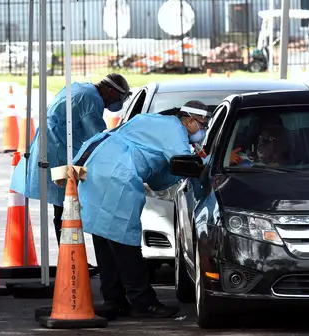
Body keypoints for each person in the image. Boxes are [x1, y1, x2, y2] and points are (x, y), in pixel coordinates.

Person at [68, 100, 210, 319]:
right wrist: (206, 161)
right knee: (125, 241)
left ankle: (114, 300)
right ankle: (143, 301)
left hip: (98, 168)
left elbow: (160, 178)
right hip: (116, 175)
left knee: (106, 240)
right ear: (189, 120)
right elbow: (184, 161)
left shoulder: (155, 122)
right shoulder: (174, 129)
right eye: (202, 125)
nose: (203, 130)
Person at [11, 73, 131, 246]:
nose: (118, 102)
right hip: (60, 153)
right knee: (67, 204)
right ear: (110, 90)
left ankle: (69, 256)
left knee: (65, 205)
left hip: (54, 147)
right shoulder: (91, 99)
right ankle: (70, 257)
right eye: (120, 97)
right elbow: (97, 136)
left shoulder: (80, 88)